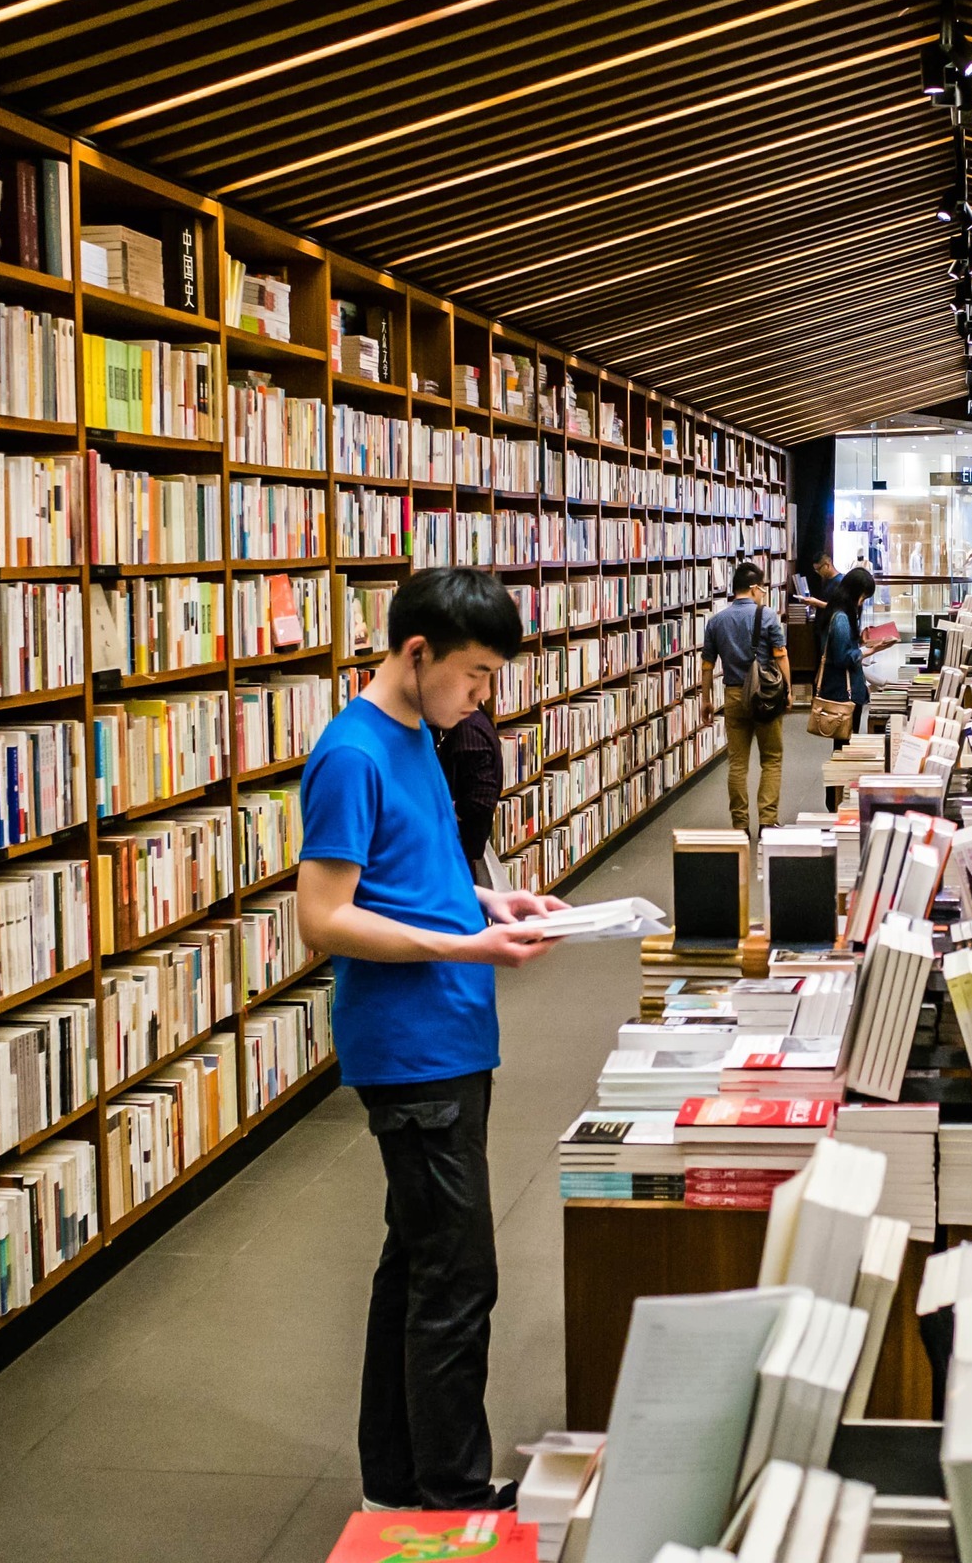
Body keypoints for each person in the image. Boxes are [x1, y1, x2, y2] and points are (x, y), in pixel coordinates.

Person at [296, 567, 567, 1514]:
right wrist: (465, 945)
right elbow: (324, 917)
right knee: (457, 1276)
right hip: (413, 1051)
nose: (484, 696)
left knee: (416, 1262)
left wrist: (493, 900)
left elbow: (412, 873)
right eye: (476, 674)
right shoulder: (352, 754)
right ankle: (450, 1492)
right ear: (418, 653)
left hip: (452, 1035)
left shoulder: (417, 733)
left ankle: (397, 1481)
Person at [702, 562, 789, 831]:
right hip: (765, 695)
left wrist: (706, 699)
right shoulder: (767, 616)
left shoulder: (716, 622)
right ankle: (767, 821)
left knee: (737, 764)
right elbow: (781, 655)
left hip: (734, 695)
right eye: (761, 589)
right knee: (771, 758)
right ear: (753, 588)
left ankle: (740, 825)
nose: (762, 593)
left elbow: (707, 666)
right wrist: (788, 690)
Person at [433, 704, 500, 873]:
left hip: (460, 844)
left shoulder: (468, 729)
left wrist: (445, 808)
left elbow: (480, 801)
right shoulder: (474, 720)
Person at [817, 566, 878, 747]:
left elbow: (839, 645)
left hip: (842, 688)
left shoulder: (835, 611)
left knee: (843, 742)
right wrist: (869, 651)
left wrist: (859, 640)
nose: (861, 603)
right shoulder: (841, 619)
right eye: (862, 597)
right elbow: (842, 657)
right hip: (845, 691)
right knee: (845, 743)